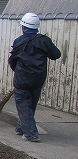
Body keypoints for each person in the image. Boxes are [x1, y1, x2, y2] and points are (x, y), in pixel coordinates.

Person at [8, 13, 61, 142]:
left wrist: (18, 72)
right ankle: (21, 128)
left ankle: (31, 134)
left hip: (22, 78)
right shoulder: (44, 40)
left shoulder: (19, 41)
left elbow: (13, 61)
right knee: (31, 103)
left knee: (23, 104)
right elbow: (56, 55)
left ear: (23, 27)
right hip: (38, 78)